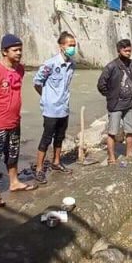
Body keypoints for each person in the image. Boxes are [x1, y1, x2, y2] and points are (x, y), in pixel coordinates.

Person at [0, 34, 36, 207]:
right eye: (15, 50)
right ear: (4, 52)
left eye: (20, 50)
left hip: (15, 121)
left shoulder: (20, 69)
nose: (19, 53)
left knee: (13, 154)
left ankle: (14, 182)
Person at [32, 32, 77, 185]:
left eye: (74, 45)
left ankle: (56, 162)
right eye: (70, 45)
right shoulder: (50, 64)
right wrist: (46, 98)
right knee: (46, 138)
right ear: (61, 46)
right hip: (51, 109)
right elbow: (37, 82)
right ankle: (39, 168)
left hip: (64, 107)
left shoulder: (72, 65)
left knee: (60, 137)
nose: (72, 48)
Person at [97, 39, 132, 164]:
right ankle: (111, 157)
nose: (128, 53)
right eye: (125, 50)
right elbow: (101, 84)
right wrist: (111, 95)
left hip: (129, 104)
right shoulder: (111, 66)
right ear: (119, 51)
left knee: (131, 131)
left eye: (130, 50)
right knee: (112, 132)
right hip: (115, 105)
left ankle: (129, 154)